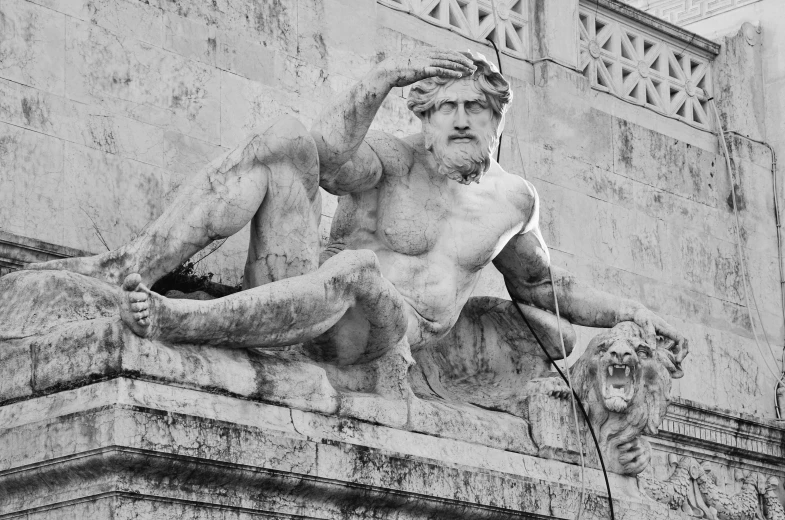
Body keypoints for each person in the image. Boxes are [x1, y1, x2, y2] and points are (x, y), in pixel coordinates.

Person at [29, 48, 687, 393]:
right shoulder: (391, 162)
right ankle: (130, 269)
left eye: (476, 110)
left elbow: (544, 289)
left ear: (495, 122)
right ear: (423, 116)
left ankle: (179, 321)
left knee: (359, 268)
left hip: (386, 336)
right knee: (284, 139)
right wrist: (378, 81)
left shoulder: (512, 201)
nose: (462, 119)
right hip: (307, 307)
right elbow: (326, 157)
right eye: (448, 107)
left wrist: (634, 310)